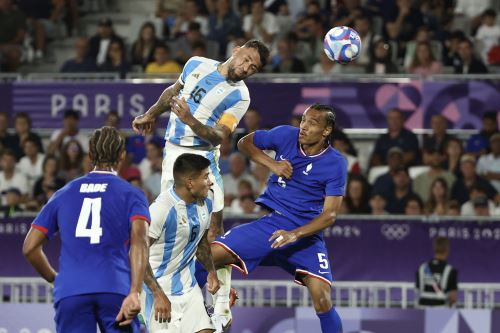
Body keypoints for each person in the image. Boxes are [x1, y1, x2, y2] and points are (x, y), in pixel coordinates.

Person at [196, 104, 346, 332]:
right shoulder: (286, 134)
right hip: (273, 224)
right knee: (206, 257)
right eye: (303, 120)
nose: (303, 127)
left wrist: (294, 235)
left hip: (305, 235)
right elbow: (244, 142)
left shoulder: (335, 163)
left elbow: (330, 215)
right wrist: (272, 164)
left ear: (326, 130)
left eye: (312, 123)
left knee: (323, 299)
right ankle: (196, 310)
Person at [131, 38, 269, 242]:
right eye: (247, 59)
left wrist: (190, 120)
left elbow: (219, 136)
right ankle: (168, 271)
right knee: (170, 221)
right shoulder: (196, 63)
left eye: (253, 67)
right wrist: (151, 114)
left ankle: (215, 275)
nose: (246, 68)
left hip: (203, 156)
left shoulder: (240, 96)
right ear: (236, 50)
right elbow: (173, 91)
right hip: (172, 153)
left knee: (214, 227)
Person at [22, 126, 150, 332]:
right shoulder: (132, 194)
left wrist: (55, 279)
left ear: (90, 155)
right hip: (115, 288)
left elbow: (29, 247)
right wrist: (135, 291)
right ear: (122, 155)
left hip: (71, 290)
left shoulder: (63, 193)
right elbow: (140, 242)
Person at [140, 153, 220, 332]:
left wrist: (211, 271)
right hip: (160, 290)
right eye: (205, 177)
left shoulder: (207, 202)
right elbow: (137, 253)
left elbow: (201, 243)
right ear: (190, 182)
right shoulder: (161, 209)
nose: (210, 182)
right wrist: (157, 293)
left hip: (189, 287)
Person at [416, 237, 458, 307]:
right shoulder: (450, 270)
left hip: (422, 312)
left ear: (434, 248)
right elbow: (453, 298)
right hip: (440, 312)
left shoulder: (422, 268)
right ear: (447, 249)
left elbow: (418, 291)